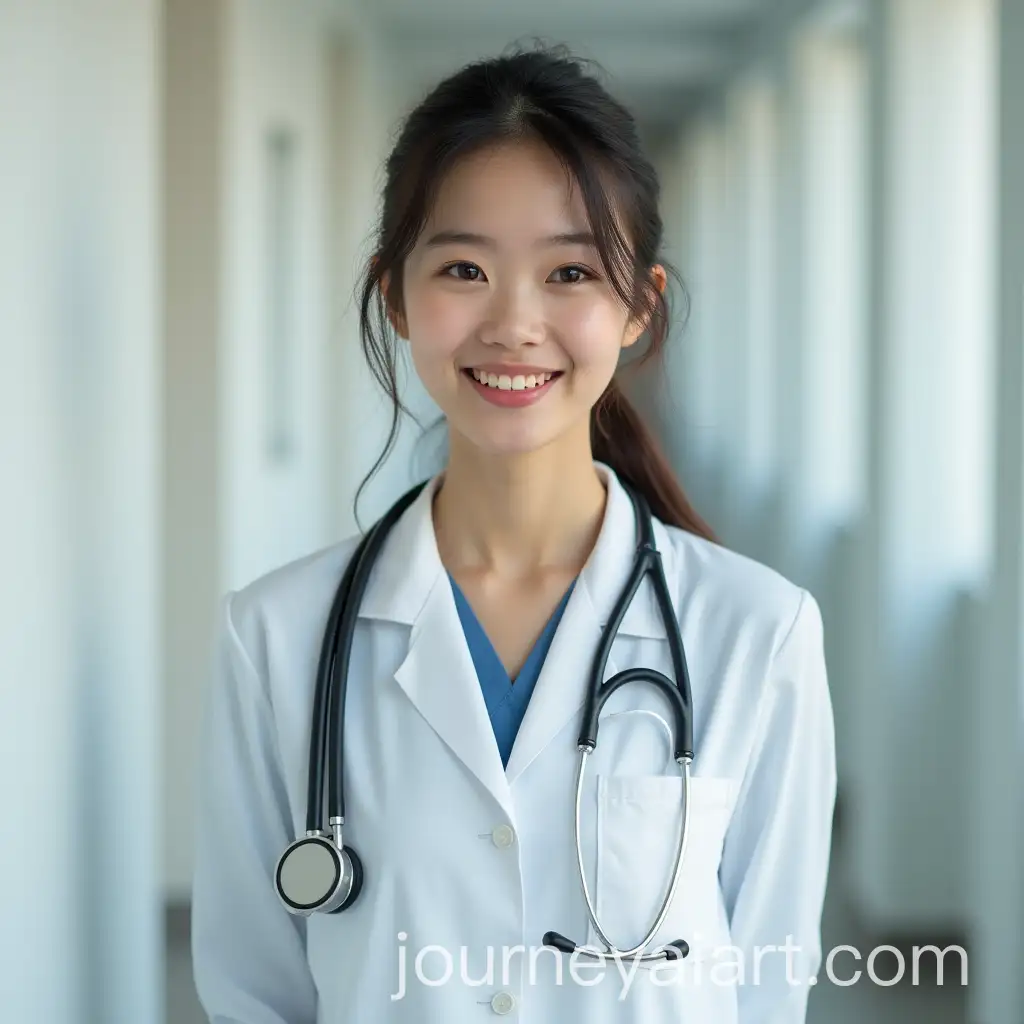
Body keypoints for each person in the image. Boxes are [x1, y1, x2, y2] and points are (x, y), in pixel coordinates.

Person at [190, 44, 836, 1024]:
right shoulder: (276, 638)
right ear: (395, 295)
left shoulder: (757, 631)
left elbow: (769, 985)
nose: (514, 323)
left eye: (570, 271)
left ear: (639, 306)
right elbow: (253, 995)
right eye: (464, 268)